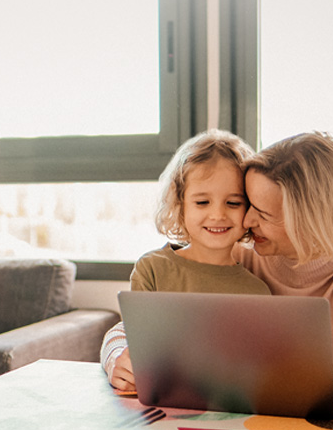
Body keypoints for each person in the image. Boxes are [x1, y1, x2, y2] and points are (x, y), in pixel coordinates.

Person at [102, 129, 271, 392]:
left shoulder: (258, 291)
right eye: (202, 202)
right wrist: (117, 361)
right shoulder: (152, 269)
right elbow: (134, 343)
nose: (217, 214)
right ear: (180, 206)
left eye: (233, 203)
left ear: (249, 209)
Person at [235, 131, 333, 387]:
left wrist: (327, 372)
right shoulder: (240, 261)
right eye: (248, 204)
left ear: (310, 219)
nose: (247, 221)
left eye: (264, 214)